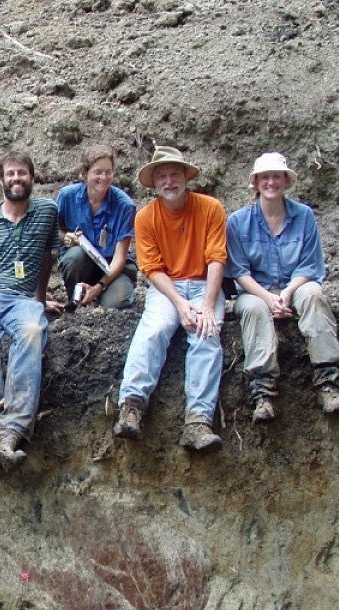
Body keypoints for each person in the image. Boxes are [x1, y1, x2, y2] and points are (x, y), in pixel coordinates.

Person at [113, 146, 228, 451]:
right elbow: (151, 268)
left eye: (174, 174)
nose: (168, 181)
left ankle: (198, 421)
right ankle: (132, 407)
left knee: (206, 334)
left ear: (185, 177)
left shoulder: (211, 208)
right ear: (154, 182)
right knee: (153, 330)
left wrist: (205, 307)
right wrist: (179, 304)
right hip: (167, 287)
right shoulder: (146, 217)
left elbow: (217, 258)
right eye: (161, 176)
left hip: (205, 283)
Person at [0, 151, 63, 467]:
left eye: (22, 173)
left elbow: (47, 258)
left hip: (22, 300)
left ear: (32, 177)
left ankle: (11, 429)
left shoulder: (47, 212)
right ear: (1, 180)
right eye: (10, 174)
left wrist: (40, 299)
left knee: (33, 329)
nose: (16, 179)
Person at [226, 152, 339, 422]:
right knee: (253, 309)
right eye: (265, 177)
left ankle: (328, 383)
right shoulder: (237, 222)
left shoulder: (304, 216)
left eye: (276, 176)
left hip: (296, 285)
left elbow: (309, 265)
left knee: (314, 295)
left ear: (286, 181)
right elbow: (239, 272)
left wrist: (287, 294)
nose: (271, 182)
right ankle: (263, 394)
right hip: (256, 291)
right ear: (256, 182)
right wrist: (269, 298)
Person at [55, 145, 137, 310]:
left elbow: (120, 257)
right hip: (82, 264)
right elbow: (56, 231)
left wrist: (99, 286)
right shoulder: (67, 196)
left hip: (113, 269)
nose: (104, 177)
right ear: (84, 174)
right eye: (98, 172)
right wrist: (67, 237)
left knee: (116, 303)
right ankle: (76, 301)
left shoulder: (125, 206)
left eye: (108, 172)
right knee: (74, 256)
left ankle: (98, 295)